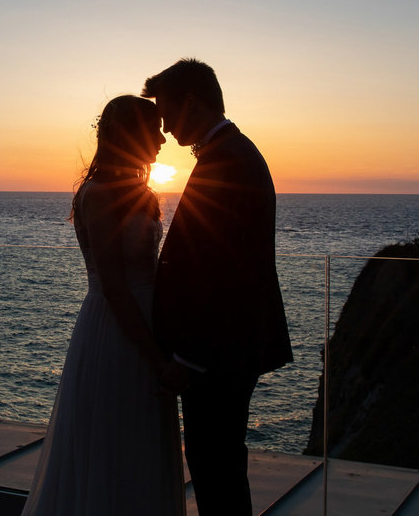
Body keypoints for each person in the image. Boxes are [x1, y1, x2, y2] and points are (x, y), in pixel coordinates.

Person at [21, 95, 186, 516]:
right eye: (153, 129)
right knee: (114, 444)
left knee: (143, 445)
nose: (163, 138)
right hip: (116, 331)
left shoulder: (142, 193)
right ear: (131, 134)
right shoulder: (97, 195)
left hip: (150, 324)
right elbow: (114, 286)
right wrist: (156, 358)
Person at [143, 58, 293, 516]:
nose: (164, 126)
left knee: (217, 471)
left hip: (216, 354)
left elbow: (222, 269)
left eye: (167, 110)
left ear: (191, 101)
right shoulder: (231, 153)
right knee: (219, 467)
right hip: (222, 349)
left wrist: (188, 355)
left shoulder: (228, 160)